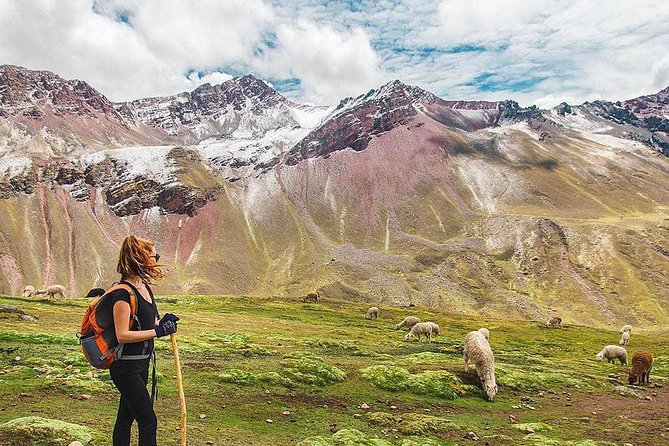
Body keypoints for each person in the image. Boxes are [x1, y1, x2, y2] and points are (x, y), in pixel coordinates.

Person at [110, 235, 179, 446]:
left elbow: (150, 323)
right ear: (139, 259)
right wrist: (157, 333)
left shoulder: (145, 288)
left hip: (142, 364)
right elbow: (123, 335)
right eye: (153, 256)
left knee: (126, 418)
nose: (155, 261)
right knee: (148, 420)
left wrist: (163, 323)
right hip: (125, 367)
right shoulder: (122, 293)